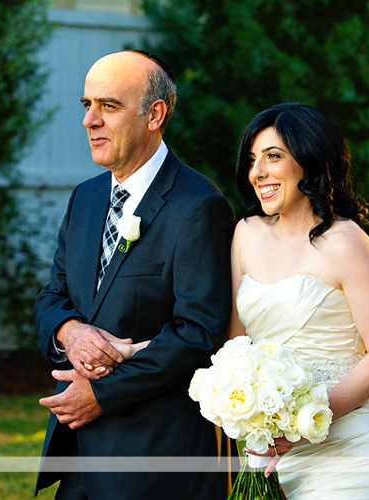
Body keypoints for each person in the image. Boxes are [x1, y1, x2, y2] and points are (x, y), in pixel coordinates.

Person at [33, 50, 235, 499]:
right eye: (86, 105)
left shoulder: (198, 206)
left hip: (157, 459)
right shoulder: (84, 198)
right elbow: (52, 297)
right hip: (79, 458)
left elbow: (200, 333)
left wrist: (102, 395)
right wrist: (71, 332)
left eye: (108, 106)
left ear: (154, 115)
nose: (90, 120)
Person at [229, 103, 369, 499]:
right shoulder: (245, 235)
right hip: (273, 456)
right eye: (252, 159)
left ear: (309, 162)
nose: (258, 172)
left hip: (349, 454)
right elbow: (234, 347)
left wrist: (306, 422)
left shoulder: (346, 242)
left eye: (273, 156)